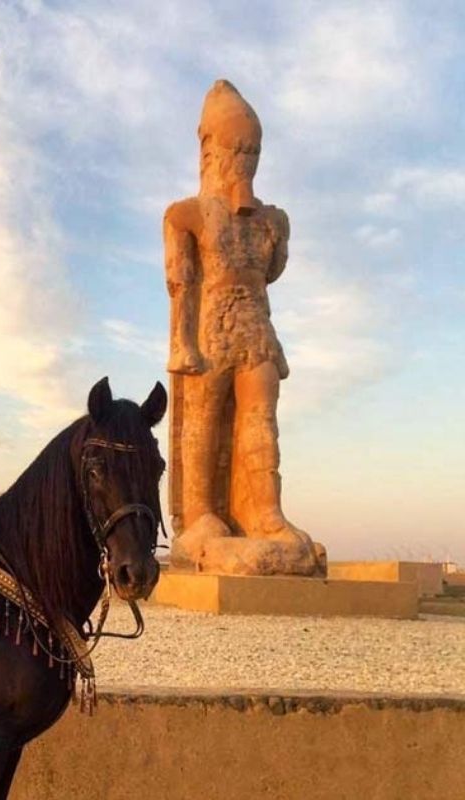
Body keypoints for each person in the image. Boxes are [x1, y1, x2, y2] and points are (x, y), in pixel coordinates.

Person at [163, 80, 322, 575]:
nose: (245, 161)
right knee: (204, 421)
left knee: (261, 418)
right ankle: (199, 516)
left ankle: (267, 514)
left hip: (256, 328)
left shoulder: (273, 220)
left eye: (253, 151)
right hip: (210, 330)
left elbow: (270, 271)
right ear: (209, 147)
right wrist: (182, 344)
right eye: (237, 149)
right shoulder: (186, 215)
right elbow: (181, 284)